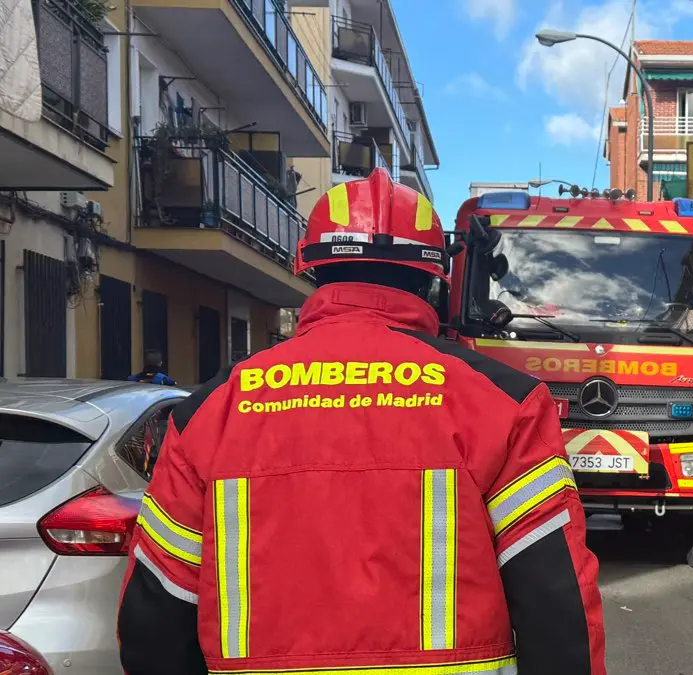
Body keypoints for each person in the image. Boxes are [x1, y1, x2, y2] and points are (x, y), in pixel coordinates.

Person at [116, 169, 607, 675]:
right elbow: (556, 601)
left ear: (310, 268)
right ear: (433, 277)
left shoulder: (212, 410)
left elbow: (156, 611)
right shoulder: (502, 402)